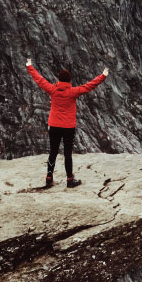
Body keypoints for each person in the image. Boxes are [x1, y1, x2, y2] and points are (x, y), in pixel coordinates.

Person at [26, 58, 108, 188]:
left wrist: (30, 66)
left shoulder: (52, 90)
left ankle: (49, 177)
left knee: (53, 151)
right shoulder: (73, 92)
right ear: (69, 80)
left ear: (59, 80)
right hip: (68, 127)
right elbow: (90, 85)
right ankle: (70, 179)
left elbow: (39, 80)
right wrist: (103, 76)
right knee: (67, 153)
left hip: (54, 126)